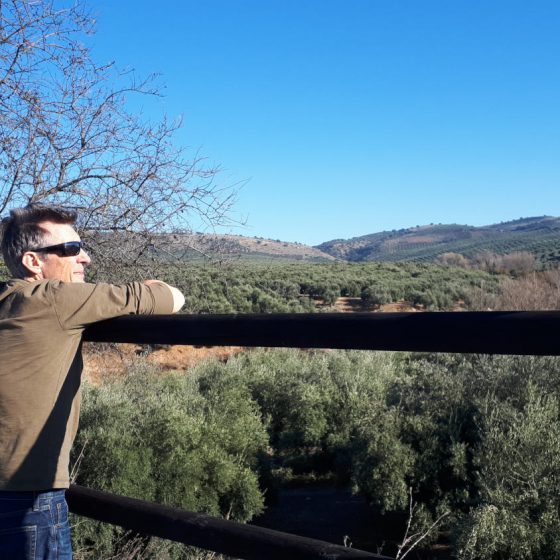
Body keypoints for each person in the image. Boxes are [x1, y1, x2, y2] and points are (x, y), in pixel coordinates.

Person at [0, 204, 185, 559]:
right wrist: (150, 285)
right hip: (27, 494)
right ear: (33, 262)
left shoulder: (9, 297)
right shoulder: (54, 299)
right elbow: (170, 297)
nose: (85, 257)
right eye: (70, 250)